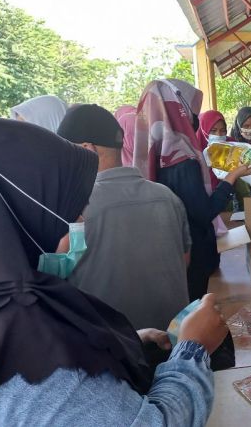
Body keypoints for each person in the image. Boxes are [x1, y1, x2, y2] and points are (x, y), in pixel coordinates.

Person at [0, 113, 229, 426]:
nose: (81, 224)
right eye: (70, 214)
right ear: (23, 222)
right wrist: (193, 350)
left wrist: (126, 345)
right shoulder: (31, 352)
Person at [134, 79, 250, 370]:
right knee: (199, 320)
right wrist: (232, 178)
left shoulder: (153, 154)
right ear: (180, 110)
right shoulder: (181, 156)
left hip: (169, 251)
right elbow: (203, 211)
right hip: (195, 251)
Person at [56, 104, 192, 336]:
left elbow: (54, 276)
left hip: (113, 350)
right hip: (174, 341)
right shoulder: (167, 197)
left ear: (88, 149)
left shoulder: (74, 207)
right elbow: (184, 262)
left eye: (65, 152)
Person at [197, 110, 229, 190]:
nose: (218, 135)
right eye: (213, 131)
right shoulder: (195, 153)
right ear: (203, 130)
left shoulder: (232, 145)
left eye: (222, 130)